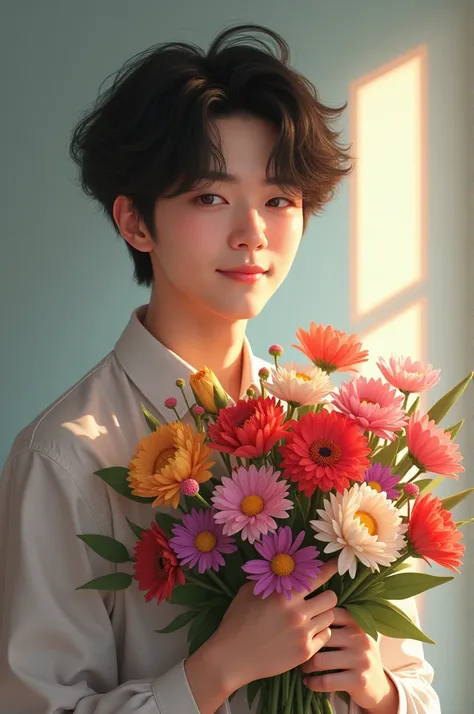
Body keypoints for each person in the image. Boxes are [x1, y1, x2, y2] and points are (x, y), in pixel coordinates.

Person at [0, 23, 440, 714]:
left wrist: (378, 689)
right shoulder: (64, 457)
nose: (252, 233)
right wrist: (216, 670)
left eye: (279, 199)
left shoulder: (333, 432)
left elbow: (417, 688)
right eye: (210, 197)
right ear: (136, 223)